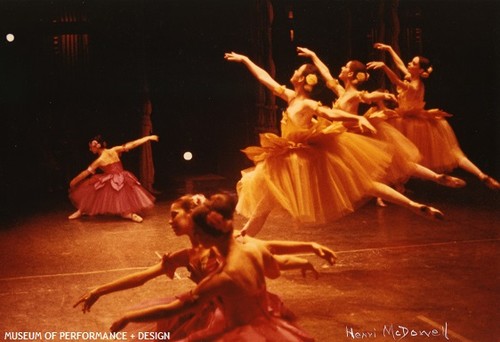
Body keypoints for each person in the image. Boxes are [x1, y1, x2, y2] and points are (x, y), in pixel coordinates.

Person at [224, 51, 444, 236]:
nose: (292, 73)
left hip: (300, 160)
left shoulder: (308, 103)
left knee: (264, 208)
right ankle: (242, 236)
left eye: (296, 72)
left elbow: (330, 113)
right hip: (293, 158)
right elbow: (266, 79)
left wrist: (356, 118)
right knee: (363, 184)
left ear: (301, 80)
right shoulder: (291, 97)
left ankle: (413, 204)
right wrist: (246, 60)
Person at [74, 193, 336, 340]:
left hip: (230, 313)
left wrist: (309, 246)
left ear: (193, 217)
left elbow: (271, 248)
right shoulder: (186, 254)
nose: (170, 222)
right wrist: (100, 290)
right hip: (210, 308)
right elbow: (142, 278)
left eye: (175, 215)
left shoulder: (228, 246)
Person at [297, 47, 466, 194]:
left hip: (350, 139)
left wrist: (383, 95)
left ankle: (435, 177)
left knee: (396, 163)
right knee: (386, 169)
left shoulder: (354, 94)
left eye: (344, 67)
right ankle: (422, 182)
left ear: (349, 74)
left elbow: (369, 96)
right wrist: (313, 56)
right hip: (342, 138)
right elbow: (326, 73)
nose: (340, 68)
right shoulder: (342, 92)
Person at [367, 43, 500, 190]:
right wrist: (390, 49)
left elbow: (396, 81)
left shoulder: (415, 85)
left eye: (413, 63)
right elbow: (400, 65)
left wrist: (385, 67)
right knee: (450, 153)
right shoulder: (413, 78)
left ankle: (396, 185)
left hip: (408, 122)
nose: (409, 63)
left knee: (398, 153)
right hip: (415, 120)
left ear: (420, 70)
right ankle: (481, 175)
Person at [68, 135, 159, 222]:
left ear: (97, 146)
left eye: (91, 147)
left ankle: (81, 210)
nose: (90, 149)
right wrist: (148, 138)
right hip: (123, 178)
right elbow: (132, 144)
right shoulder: (114, 150)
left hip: (112, 181)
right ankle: (130, 214)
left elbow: (85, 173)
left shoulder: (99, 161)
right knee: (102, 192)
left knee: (93, 190)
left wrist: (74, 181)